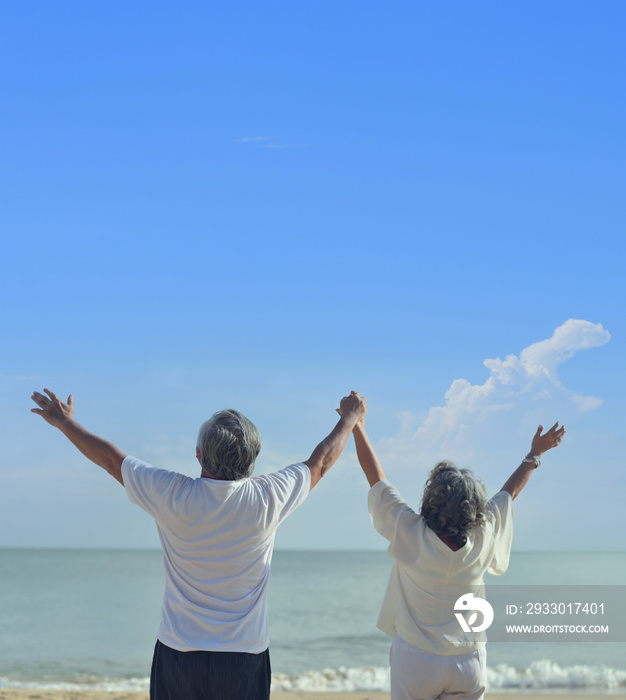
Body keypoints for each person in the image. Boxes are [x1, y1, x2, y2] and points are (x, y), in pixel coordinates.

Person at [31, 387, 367, 700]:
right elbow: (320, 462)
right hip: (244, 656)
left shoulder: (171, 494)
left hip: (179, 653)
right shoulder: (268, 496)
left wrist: (63, 422)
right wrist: (349, 419)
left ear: (198, 455)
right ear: (253, 457)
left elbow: (110, 459)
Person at [345, 397, 565, 700]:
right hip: (469, 659)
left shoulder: (409, 531)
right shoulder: (484, 534)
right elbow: (510, 491)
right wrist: (535, 453)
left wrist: (357, 427)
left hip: (415, 659)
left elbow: (376, 478)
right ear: (475, 509)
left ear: (431, 500)